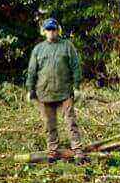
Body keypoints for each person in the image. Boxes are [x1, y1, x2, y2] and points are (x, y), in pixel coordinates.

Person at [25, 18, 83, 158]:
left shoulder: (67, 46)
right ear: (44, 31)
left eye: (54, 29)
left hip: (65, 91)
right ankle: (53, 150)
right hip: (44, 92)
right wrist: (30, 90)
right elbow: (32, 71)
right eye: (48, 30)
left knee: (71, 121)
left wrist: (76, 87)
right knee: (49, 124)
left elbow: (76, 67)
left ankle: (77, 149)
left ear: (58, 30)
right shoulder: (38, 49)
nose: (51, 32)